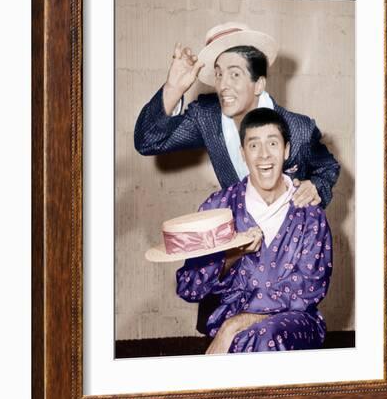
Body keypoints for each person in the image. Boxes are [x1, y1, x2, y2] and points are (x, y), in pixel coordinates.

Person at [176, 108, 333, 354]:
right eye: (253, 146)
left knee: (264, 335)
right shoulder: (218, 206)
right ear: (242, 154)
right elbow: (189, 286)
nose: (264, 156)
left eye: (272, 143)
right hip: (229, 331)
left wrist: (235, 324)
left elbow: (308, 292)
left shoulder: (310, 213)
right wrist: (230, 257)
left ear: (286, 150)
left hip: (293, 327)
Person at [134, 21, 340, 209]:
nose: (223, 85)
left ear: (258, 83)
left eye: (234, 74)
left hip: (293, 243)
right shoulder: (206, 117)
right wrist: (173, 88)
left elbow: (328, 168)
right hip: (242, 241)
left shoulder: (299, 129)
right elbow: (147, 142)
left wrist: (316, 186)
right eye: (218, 74)